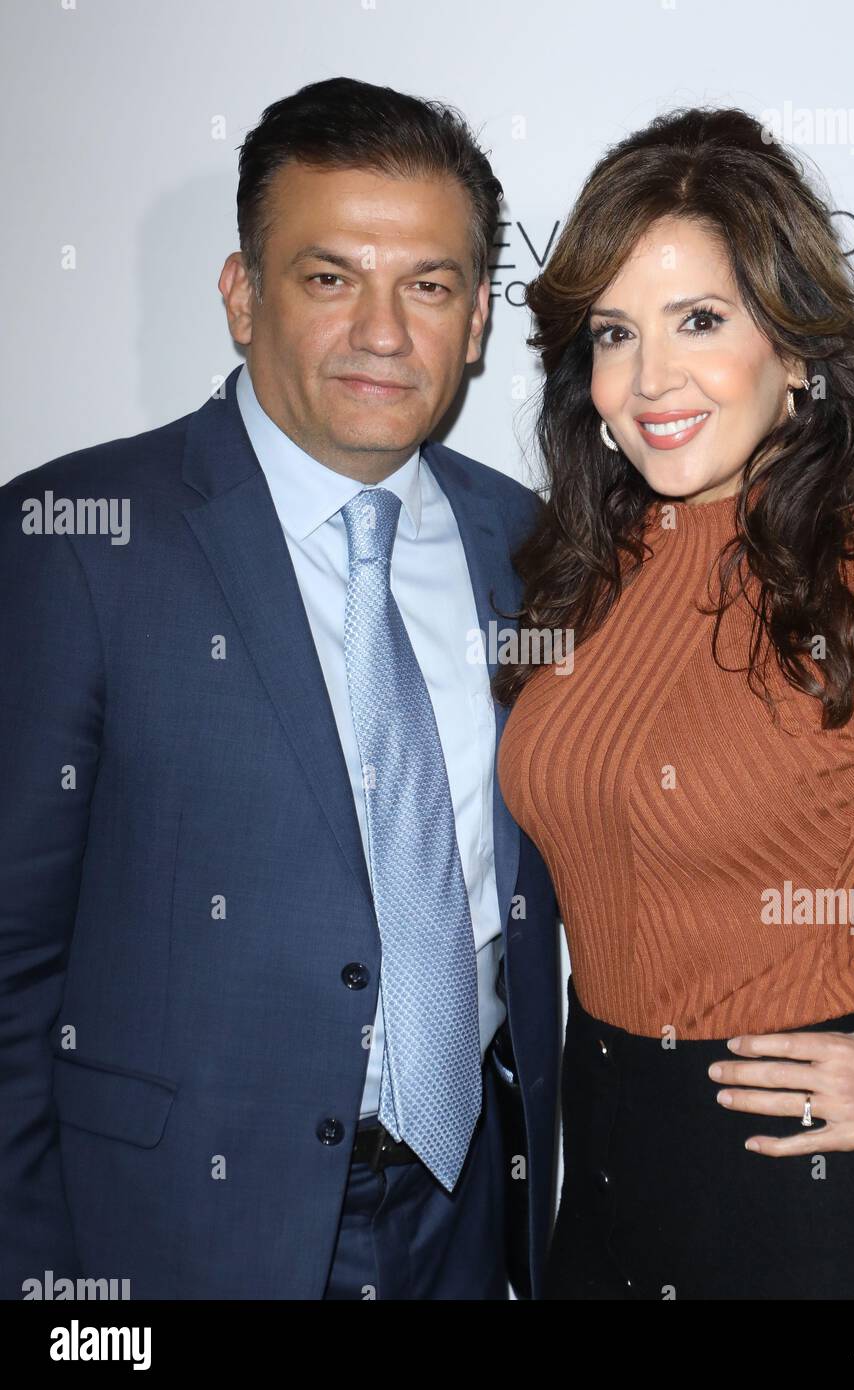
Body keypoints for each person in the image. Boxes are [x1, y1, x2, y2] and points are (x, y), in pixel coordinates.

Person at [0, 76, 561, 1301]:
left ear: (475, 322)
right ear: (241, 296)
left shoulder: (525, 549)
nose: (381, 331)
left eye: (428, 285)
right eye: (328, 277)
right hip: (170, 1239)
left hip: (459, 1220)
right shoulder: (74, 541)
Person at [495, 105, 854, 1299]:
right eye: (612, 334)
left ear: (794, 349)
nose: (649, 382)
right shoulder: (588, 569)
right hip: (600, 1195)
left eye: (699, 320)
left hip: (809, 1215)